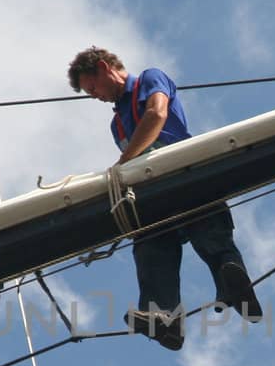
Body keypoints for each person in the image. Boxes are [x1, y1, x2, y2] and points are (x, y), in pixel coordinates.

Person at [67, 46, 262, 350]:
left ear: (105, 68)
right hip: (152, 190)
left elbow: (156, 114)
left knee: (208, 231)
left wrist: (123, 162)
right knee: (149, 243)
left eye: (92, 87)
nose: (95, 96)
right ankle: (163, 318)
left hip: (183, 170)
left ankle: (233, 282)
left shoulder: (149, 79)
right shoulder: (116, 124)